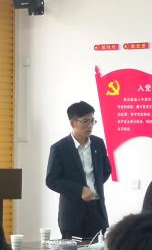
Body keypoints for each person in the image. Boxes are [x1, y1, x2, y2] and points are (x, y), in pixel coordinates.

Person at [46, 101, 112, 240]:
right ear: (73, 123)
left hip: (97, 212)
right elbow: (52, 180)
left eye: (92, 121)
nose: (90, 125)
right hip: (72, 215)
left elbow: (106, 170)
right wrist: (80, 190)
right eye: (85, 121)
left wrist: (94, 186)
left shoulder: (98, 143)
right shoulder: (59, 148)